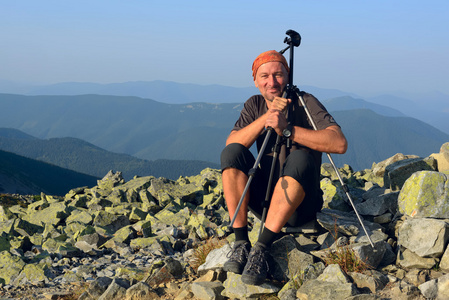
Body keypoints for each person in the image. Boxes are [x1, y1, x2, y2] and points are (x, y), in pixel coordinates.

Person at [220, 50, 348, 285]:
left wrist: (288, 130)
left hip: (302, 205)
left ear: (287, 76)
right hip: (266, 201)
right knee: (232, 153)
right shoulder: (255, 104)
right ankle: (241, 243)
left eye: (278, 74)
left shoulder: (305, 102)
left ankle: (262, 248)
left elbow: (339, 143)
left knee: (300, 158)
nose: (272, 82)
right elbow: (232, 145)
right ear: (256, 81)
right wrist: (267, 117)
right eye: (265, 76)